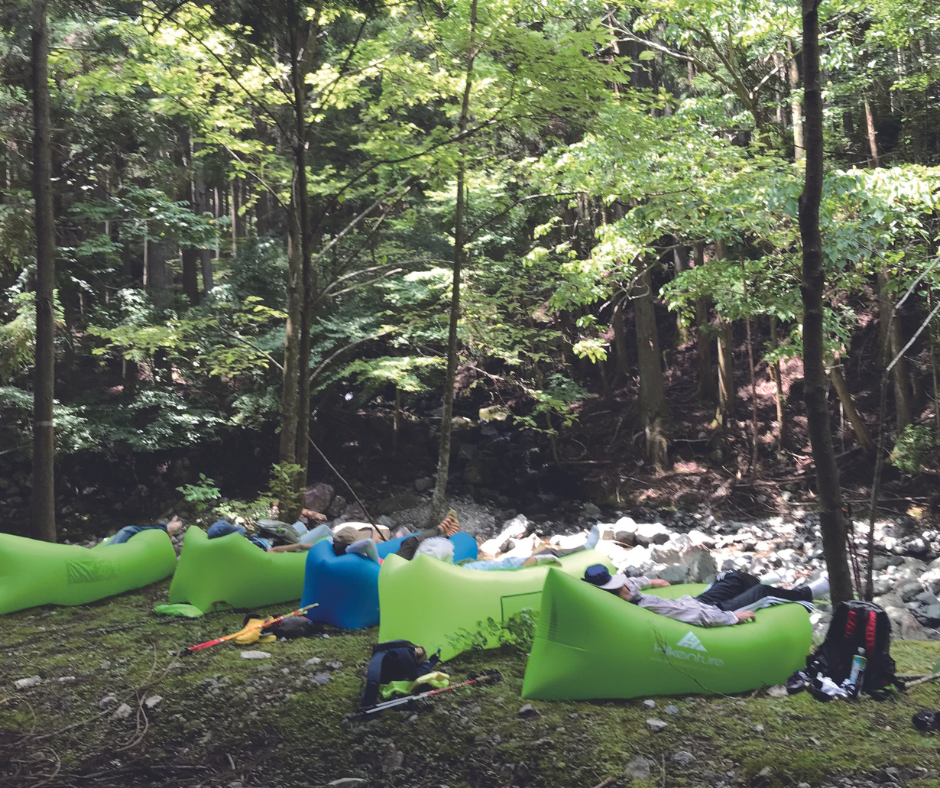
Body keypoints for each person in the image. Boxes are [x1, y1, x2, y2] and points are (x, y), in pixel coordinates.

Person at [582, 565, 830, 627]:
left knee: (732, 575)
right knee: (762, 594)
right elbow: (695, 616)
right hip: (714, 609)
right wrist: (732, 617)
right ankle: (808, 594)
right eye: (619, 589)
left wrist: (649, 580)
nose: (625, 587)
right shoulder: (644, 609)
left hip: (697, 600)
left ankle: (752, 583)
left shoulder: (624, 593)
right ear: (614, 595)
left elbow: (629, 583)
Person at [206, 519, 322, 553]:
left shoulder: (238, 543)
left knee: (300, 525)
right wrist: (301, 545)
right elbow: (274, 550)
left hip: (271, 537)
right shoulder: (244, 549)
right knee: (324, 529)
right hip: (285, 545)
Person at [105, 515, 185, 546]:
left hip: (127, 531)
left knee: (142, 531)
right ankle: (169, 528)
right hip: (127, 531)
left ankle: (169, 527)